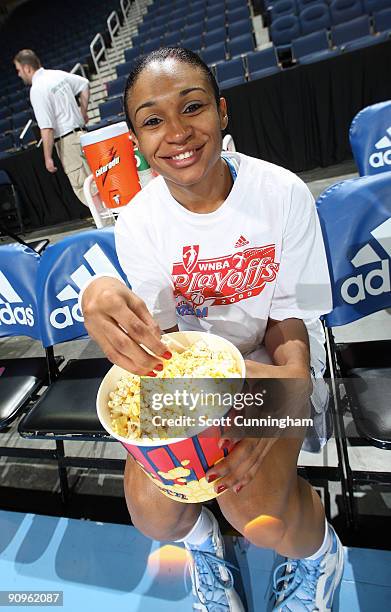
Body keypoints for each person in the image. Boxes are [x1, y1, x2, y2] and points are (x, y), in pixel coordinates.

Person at [81, 48, 344, 611]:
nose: (177, 133)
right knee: (153, 510)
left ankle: (321, 552)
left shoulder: (285, 192)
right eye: (153, 120)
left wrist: (277, 406)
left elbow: (298, 320)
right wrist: (97, 293)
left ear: (222, 113)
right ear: (137, 143)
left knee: (257, 513)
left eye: (192, 107)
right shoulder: (139, 222)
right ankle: (205, 549)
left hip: (274, 367)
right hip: (196, 380)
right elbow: (167, 347)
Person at [14, 49, 90, 204]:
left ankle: (108, 223)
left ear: (27, 68)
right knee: (96, 180)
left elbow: (47, 127)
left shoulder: (37, 89)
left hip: (68, 142)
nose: (19, 74)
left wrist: (47, 157)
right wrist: (83, 112)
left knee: (84, 187)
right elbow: (84, 84)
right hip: (83, 135)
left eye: (19, 70)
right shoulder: (56, 74)